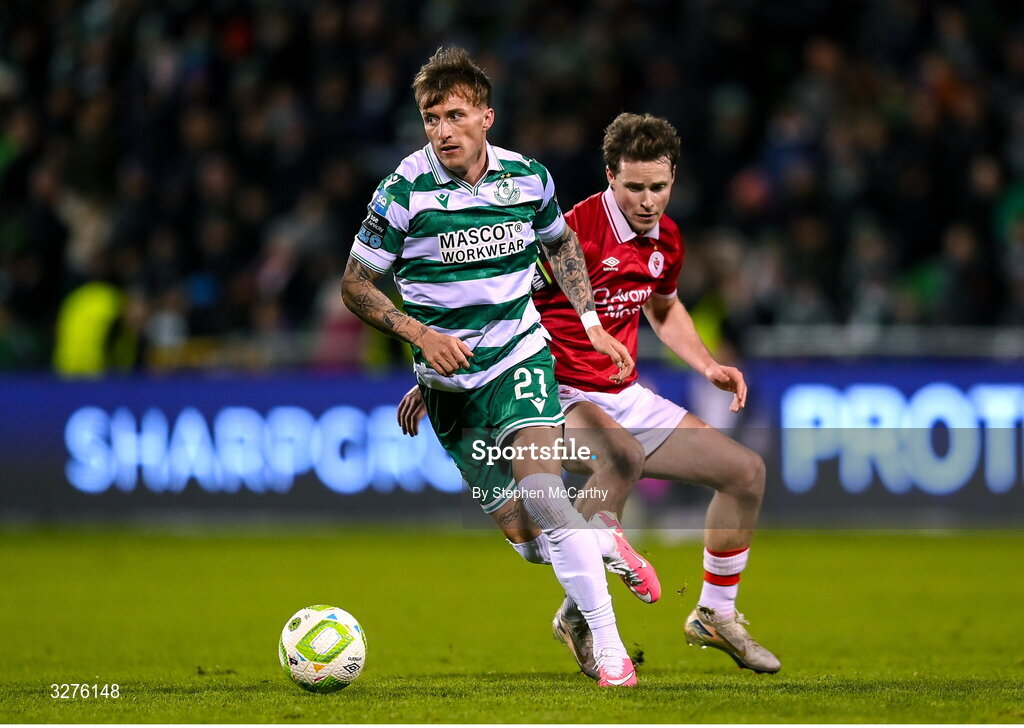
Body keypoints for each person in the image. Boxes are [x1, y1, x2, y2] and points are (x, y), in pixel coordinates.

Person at [399, 112, 780, 677]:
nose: (648, 201)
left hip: (622, 391)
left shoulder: (667, 240)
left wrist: (707, 365)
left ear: (673, 179)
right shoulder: (568, 234)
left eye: (659, 187)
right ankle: (589, 619)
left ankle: (714, 614)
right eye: (634, 187)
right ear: (610, 177)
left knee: (746, 473)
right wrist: (434, 375)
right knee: (618, 458)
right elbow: (496, 300)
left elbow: (663, 306)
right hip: (552, 389)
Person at [341, 47, 655, 687]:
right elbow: (355, 285)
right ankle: (599, 537)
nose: (442, 130)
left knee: (543, 493)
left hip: (519, 356)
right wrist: (420, 337)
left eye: (454, 115)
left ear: (487, 116)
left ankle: (611, 649)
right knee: (531, 539)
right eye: (430, 118)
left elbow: (560, 246)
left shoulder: (529, 179)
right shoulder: (403, 191)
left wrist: (591, 323)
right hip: (450, 388)